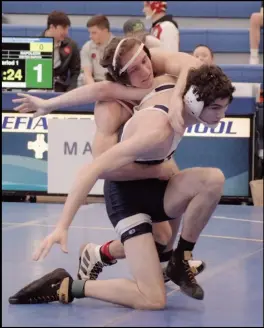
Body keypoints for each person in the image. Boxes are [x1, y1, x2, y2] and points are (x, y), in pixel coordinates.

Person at [9, 40, 235, 308]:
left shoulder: (166, 79)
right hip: (126, 192)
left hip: (156, 178)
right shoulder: (137, 122)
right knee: (153, 300)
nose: (223, 116)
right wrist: (62, 226)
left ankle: (176, 259)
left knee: (211, 182)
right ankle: (67, 286)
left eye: (144, 60)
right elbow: (95, 168)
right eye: (217, 109)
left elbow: (191, 64)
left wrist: (175, 100)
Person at [42, 11, 81, 92]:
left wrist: (70, 91)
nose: (66, 32)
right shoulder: (34, 43)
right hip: (38, 87)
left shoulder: (72, 45)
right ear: (52, 27)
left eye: (67, 28)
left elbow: (76, 73)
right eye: (63, 28)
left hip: (60, 88)